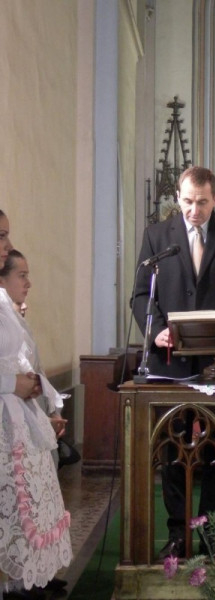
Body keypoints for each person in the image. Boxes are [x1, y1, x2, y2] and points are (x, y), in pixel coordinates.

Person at [132, 166, 215, 558]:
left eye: (202, 202)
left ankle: (212, 534)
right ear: (178, 197)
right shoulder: (157, 236)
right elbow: (142, 296)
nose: (193, 210)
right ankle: (178, 534)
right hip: (170, 361)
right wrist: (157, 331)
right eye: (187, 201)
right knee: (172, 452)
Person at [0, 211, 72, 599]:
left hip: (22, 415)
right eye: (2, 236)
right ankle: (18, 579)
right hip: (7, 418)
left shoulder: (9, 310)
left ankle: (35, 573)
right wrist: (15, 383)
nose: (7, 245)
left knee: (35, 497)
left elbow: (30, 363)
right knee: (16, 502)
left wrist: (48, 404)